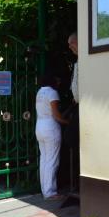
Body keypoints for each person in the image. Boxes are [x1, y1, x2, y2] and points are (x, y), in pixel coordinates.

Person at [35, 72, 69, 200]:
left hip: (40, 127)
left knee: (44, 159)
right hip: (51, 128)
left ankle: (45, 190)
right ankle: (50, 192)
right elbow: (56, 115)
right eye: (57, 79)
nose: (59, 82)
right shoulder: (52, 93)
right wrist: (67, 122)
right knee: (52, 160)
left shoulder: (40, 92)